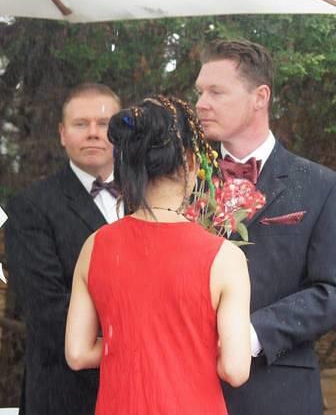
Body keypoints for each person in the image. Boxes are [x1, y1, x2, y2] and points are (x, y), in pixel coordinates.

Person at [65, 95, 251, 414]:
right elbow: (235, 370)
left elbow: (77, 353)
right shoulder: (224, 257)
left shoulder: (95, 245)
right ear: (190, 162)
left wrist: (130, 344)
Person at [194, 38, 336, 415]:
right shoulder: (185, 183)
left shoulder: (322, 186)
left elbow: (331, 290)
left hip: (279, 393)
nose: (201, 103)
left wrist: (251, 333)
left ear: (260, 97)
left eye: (216, 92)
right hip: (188, 389)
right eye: (199, 92)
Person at [5, 83, 121, 415]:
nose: (93, 133)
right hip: (65, 394)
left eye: (104, 124)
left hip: (140, 390)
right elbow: (46, 310)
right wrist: (137, 337)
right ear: (62, 134)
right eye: (81, 124)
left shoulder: (150, 199)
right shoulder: (31, 206)